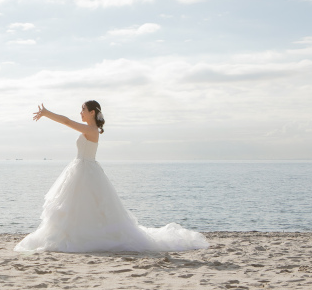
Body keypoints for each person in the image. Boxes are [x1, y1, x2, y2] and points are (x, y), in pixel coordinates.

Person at [15, 101, 208, 253]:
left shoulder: (91, 130)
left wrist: (47, 113)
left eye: (83, 109)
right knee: (78, 206)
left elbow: (66, 122)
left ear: (92, 112)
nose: (80, 113)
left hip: (86, 170)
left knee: (86, 205)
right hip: (80, 169)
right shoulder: (89, 129)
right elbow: (69, 121)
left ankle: (86, 236)